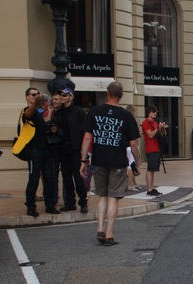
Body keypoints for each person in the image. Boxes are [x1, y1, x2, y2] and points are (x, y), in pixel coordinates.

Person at [79, 82, 140, 246]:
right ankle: (109, 234)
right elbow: (133, 144)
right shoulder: (126, 116)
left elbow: (87, 138)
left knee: (102, 195)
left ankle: (99, 228)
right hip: (118, 162)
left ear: (107, 93)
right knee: (114, 197)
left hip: (99, 160)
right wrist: (137, 163)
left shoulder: (94, 112)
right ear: (121, 95)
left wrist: (83, 160)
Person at [23, 87, 60, 216]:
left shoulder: (40, 112)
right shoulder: (27, 111)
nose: (35, 96)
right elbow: (28, 115)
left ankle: (50, 205)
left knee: (50, 178)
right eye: (33, 95)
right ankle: (30, 206)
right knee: (34, 178)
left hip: (46, 149)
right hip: (34, 150)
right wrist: (36, 102)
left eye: (37, 94)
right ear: (27, 97)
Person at [52, 87, 88, 213]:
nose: (63, 97)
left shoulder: (79, 112)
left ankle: (83, 201)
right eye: (61, 95)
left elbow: (85, 132)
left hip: (75, 149)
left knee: (78, 176)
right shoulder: (58, 113)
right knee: (66, 177)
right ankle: (70, 202)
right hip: (63, 148)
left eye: (65, 95)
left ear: (71, 97)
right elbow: (54, 128)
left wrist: (84, 150)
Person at [141, 104, 167, 196]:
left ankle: (152, 188)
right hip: (151, 148)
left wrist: (162, 128)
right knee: (150, 169)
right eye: (153, 111)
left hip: (157, 148)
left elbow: (162, 134)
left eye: (156, 111)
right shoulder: (146, 123)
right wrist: (157, 128)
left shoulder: (155, 123)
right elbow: (150, 135)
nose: (155, 113)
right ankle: (149, 189)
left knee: (153, 170)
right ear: (149, 112)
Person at [126, 104, 141, 191]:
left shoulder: (124, 120)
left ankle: (134, 183)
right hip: (131, 145)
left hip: (126, 146)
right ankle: (130, 185)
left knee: (130, 164)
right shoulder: (132, 121)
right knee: (131, 165)